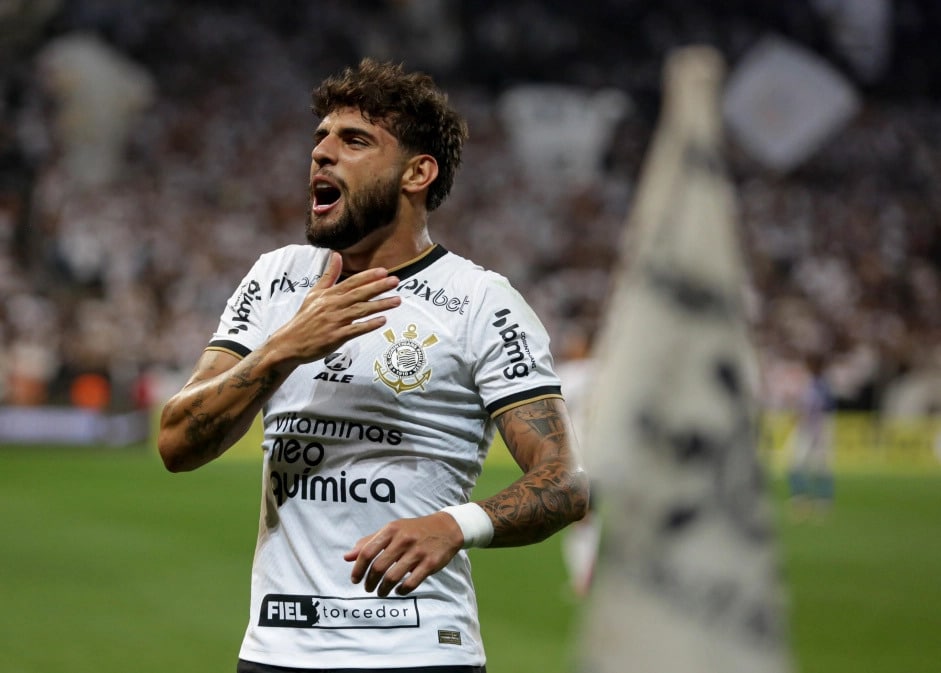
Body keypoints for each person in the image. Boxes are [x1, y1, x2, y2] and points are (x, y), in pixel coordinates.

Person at [157, 58, 590, 673]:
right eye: (321, 138)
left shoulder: (481, 302)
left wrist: (455, 525)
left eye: (354, 140)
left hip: (417, 652)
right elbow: (177, 442)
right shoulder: (277, 279)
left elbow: (565, 482)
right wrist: (283, 348)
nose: (321, 153)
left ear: (417, 173)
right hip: (277, 650)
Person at [785, 353, 836, 520]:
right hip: (817, 429)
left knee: (803, 465)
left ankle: (806, 501)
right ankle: (819, 502)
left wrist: (798, 413)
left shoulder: (816, 387)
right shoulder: (821, 386)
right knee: (816, 466)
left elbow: (811, 408)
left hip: (813, 430)